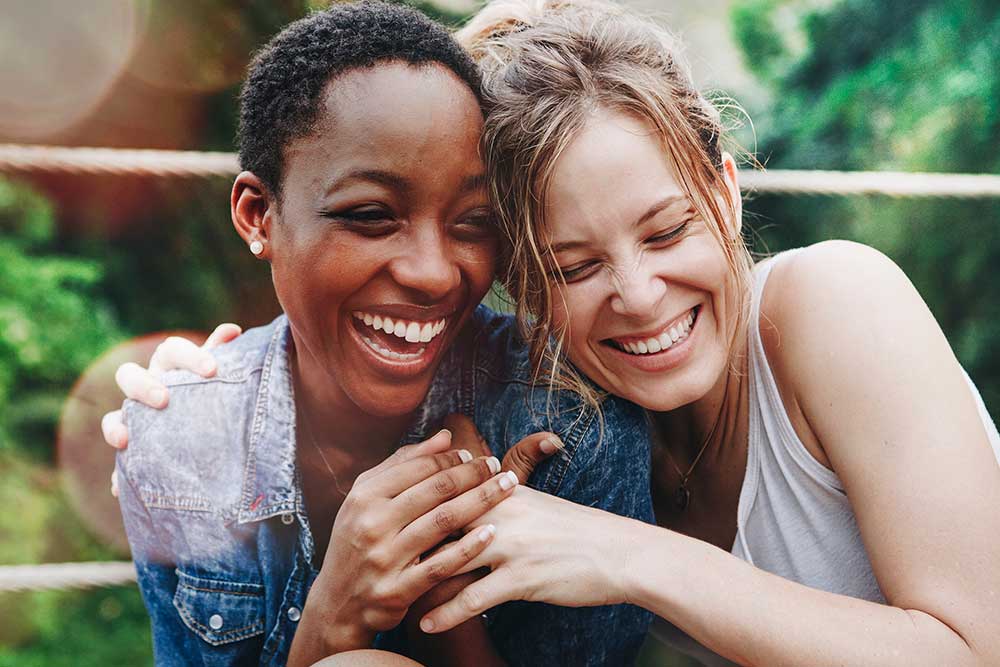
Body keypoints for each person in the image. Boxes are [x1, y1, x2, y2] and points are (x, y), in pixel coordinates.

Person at [109, 0, 1000, 665]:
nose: (642, 296)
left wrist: (627, 554)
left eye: (667, 230)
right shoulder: (576, 422)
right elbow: (390, 209)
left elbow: (974, 648)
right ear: (522, 284)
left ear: (725, 192)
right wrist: (250, 374)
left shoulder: (832, 304)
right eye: (574, 267)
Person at [109, 3, 653, 667]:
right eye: (370, 215)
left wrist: (447, 594)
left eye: (474, 221)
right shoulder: (177, 442)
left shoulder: (570, 428)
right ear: (259, 216)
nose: (431, 273)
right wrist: (334, 616)